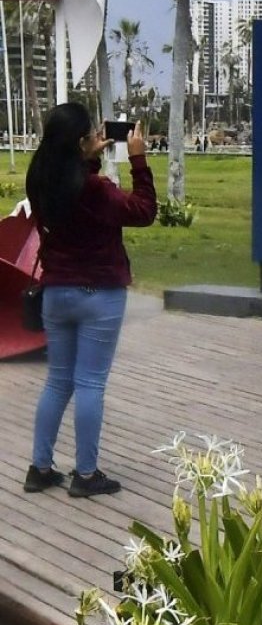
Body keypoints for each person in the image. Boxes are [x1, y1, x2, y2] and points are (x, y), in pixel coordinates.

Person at [23, 105, 157, 498]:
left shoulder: (42, 179)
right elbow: (143, 211)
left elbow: (70, 186)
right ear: (81, 142)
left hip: (56, 292)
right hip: (99, 292)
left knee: (57, 382)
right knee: (90, 384)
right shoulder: (94, 189)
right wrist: (138, 159)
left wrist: (89, 155)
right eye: (91, 134)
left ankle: (40, 467)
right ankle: (85, 475)